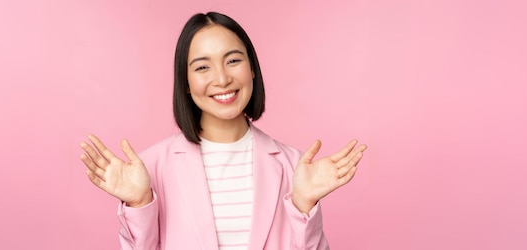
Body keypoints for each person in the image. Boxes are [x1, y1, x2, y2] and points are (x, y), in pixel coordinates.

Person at [80, 11, 367, 250]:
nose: (221, 78)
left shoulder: (295, 166)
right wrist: (139, 203)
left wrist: (304, 205)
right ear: (186, 83)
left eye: (233, 61)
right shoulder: (149, 169)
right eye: (202, 67)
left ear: (252, 68)